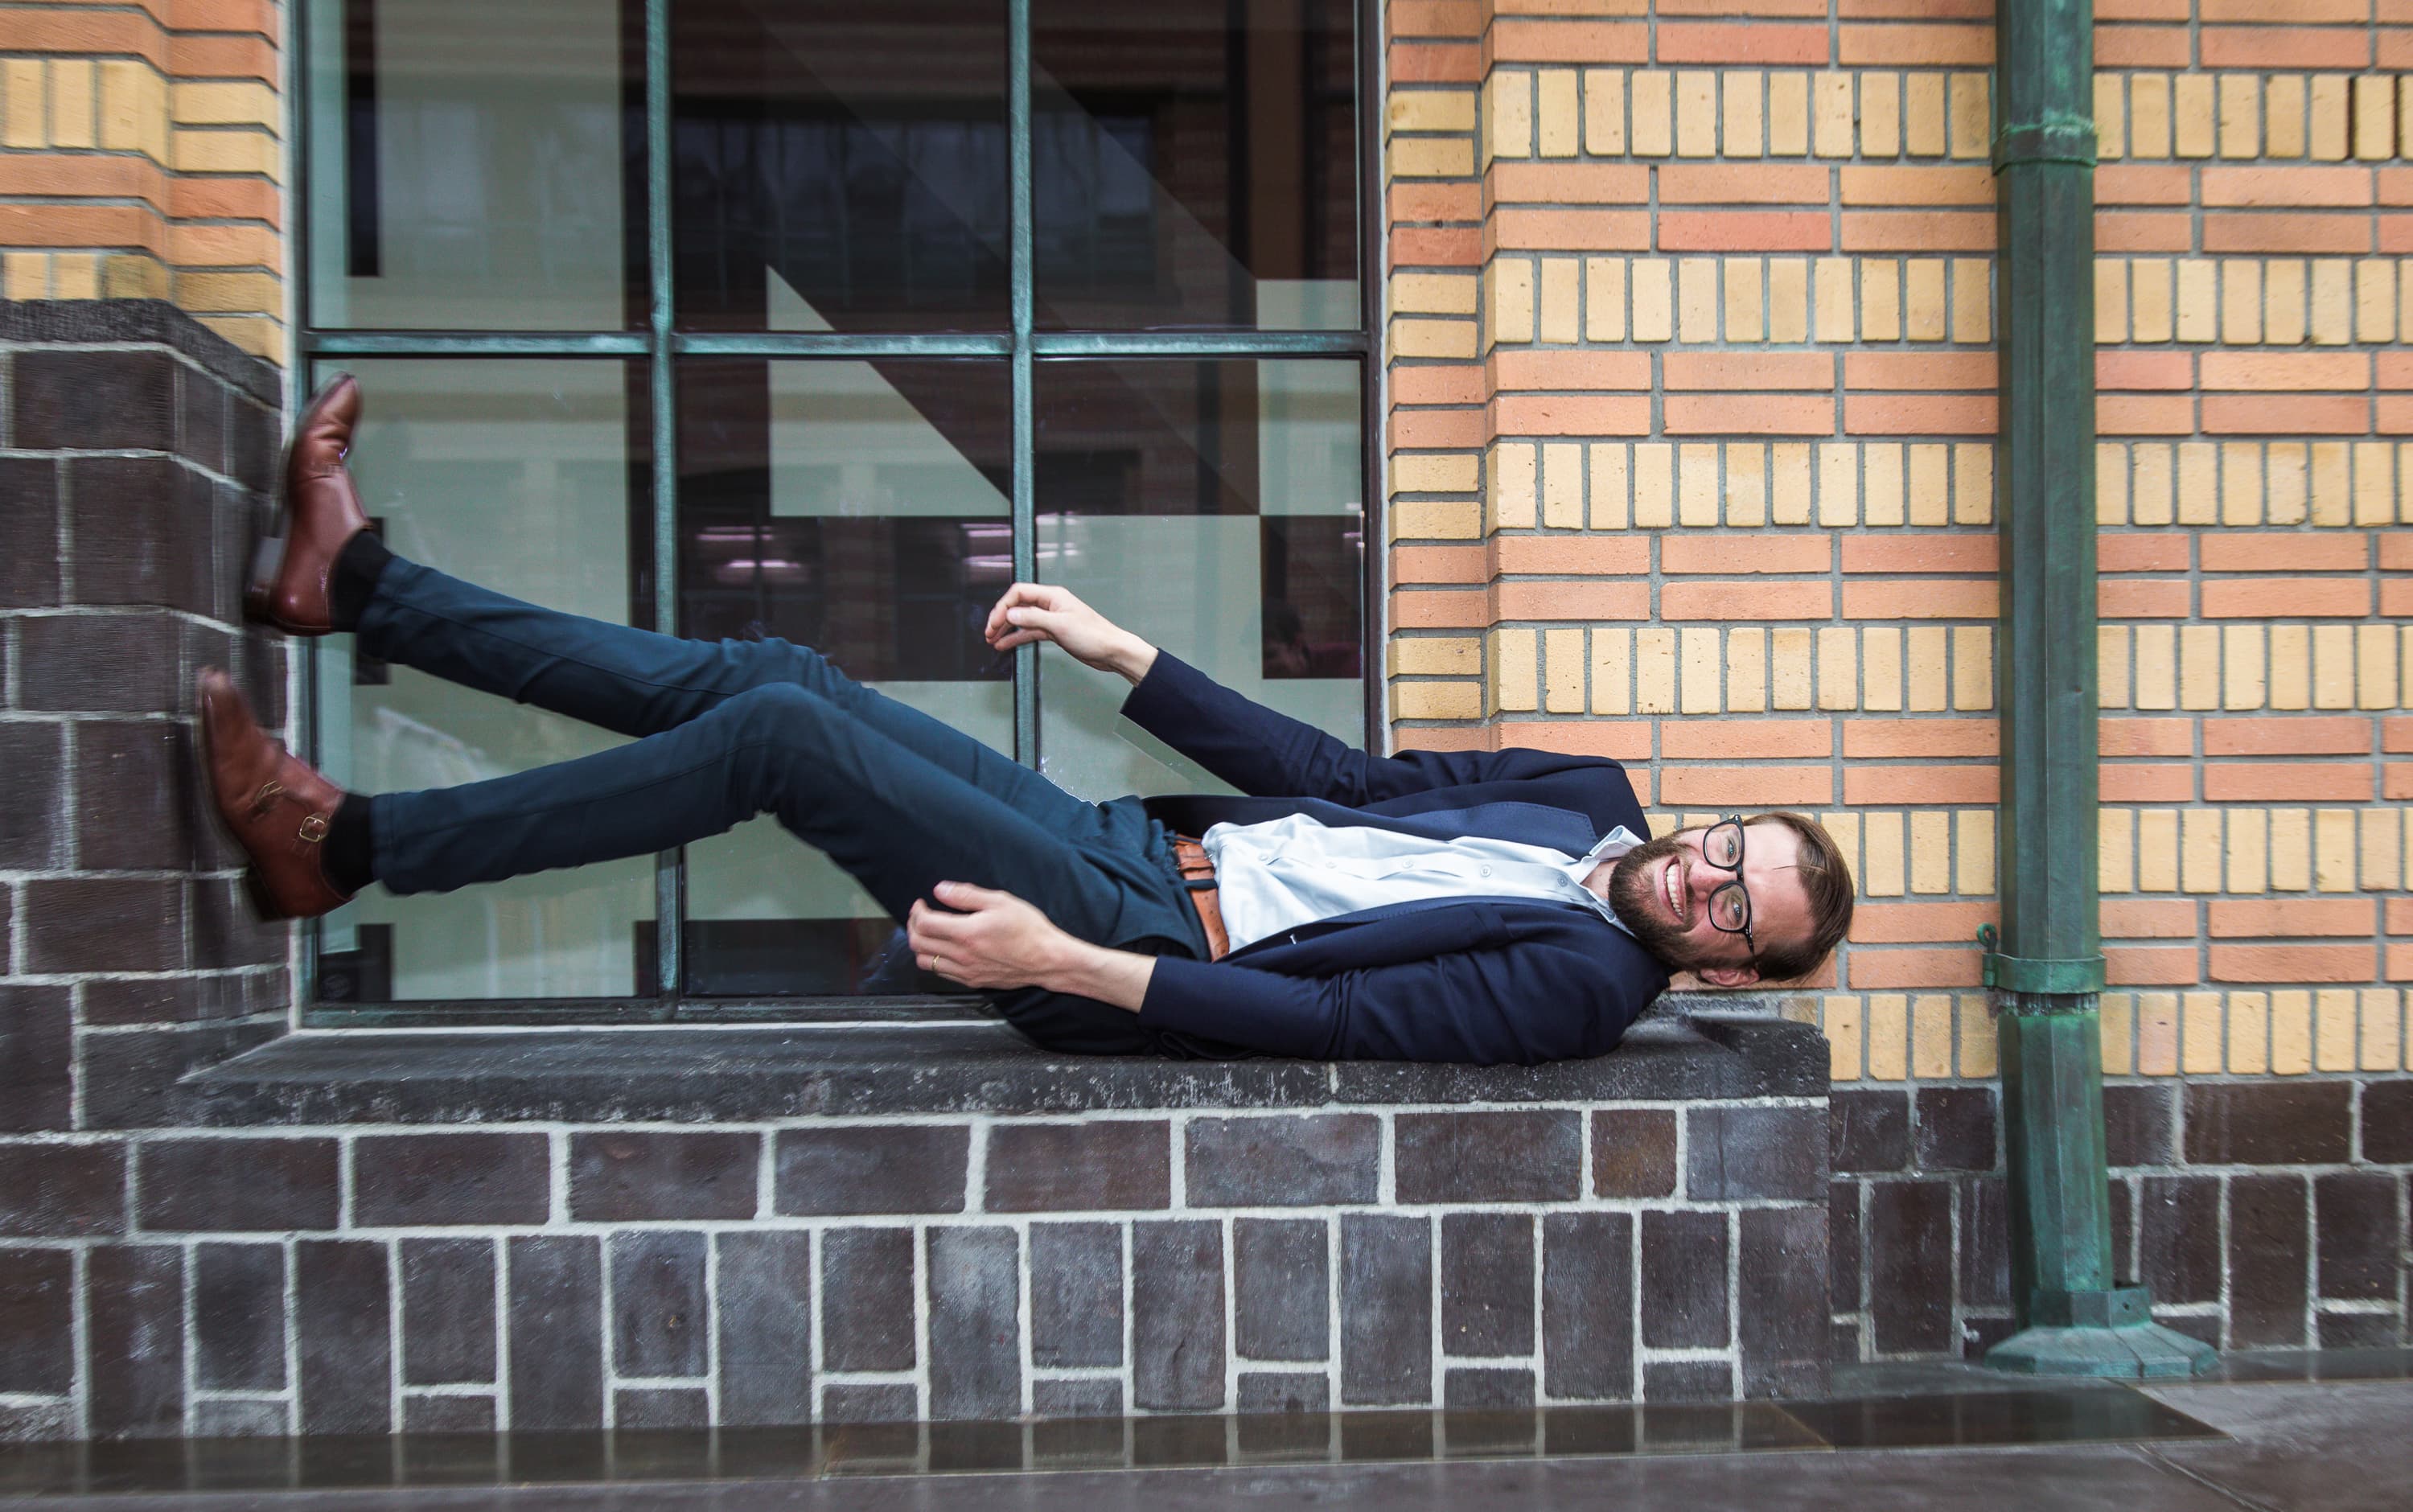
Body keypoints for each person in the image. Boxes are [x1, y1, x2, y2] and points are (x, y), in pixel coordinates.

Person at [202, 376, 1855, 1065]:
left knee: (782, 748)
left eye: (1734, 914)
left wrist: (1061, 967)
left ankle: (348, 849)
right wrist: (1123, 649)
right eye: (1733, 849)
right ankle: (360, 593)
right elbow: (1347, 778)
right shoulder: (1587, 795)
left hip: (1121, 949)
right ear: (1716, 816)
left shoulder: (1582, 984)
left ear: (1724, 972)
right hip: (1131, 846)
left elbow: (1334, 1034)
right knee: (784, 682)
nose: (1706, 879)